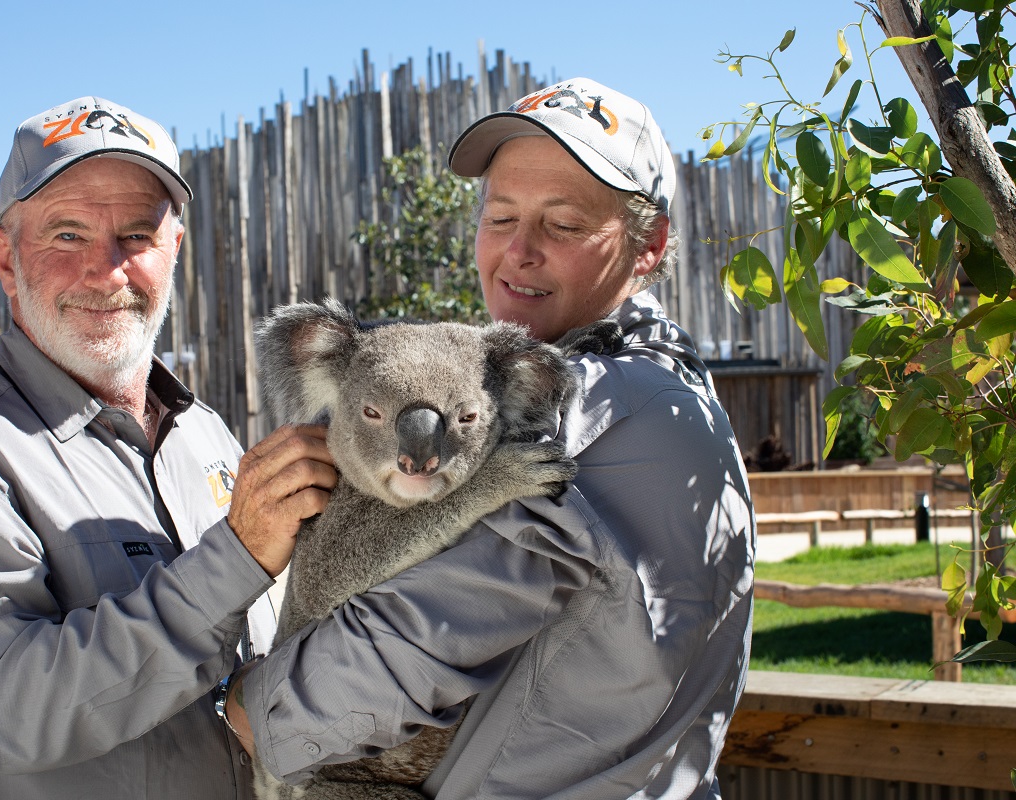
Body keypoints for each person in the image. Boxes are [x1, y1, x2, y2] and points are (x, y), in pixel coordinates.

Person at [229, 77, 756, 799]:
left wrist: (251, 709)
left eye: (563, 224)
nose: (518, 252)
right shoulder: (674, 381)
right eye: (499, 216)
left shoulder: (598, 410)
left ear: (648, 245)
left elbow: (406, 648)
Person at [0, 96, 340, 800]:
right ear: (4, 257)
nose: (106, 271)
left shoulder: (203, 433)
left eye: (137, 236)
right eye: (66, 235)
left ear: (174, 249)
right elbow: (6, 709)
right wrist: (235, 558)